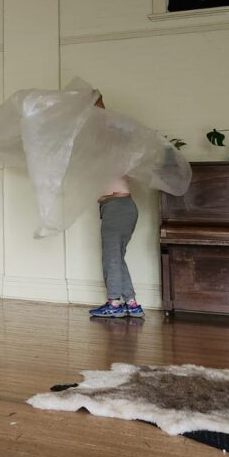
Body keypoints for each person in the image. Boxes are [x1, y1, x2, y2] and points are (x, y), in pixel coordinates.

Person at [88, 93, 145, 319]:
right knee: (116, 257)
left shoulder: (115, 147)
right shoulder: (111, 153)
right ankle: (130, 303)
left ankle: (114, 302)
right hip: (120, 208)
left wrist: (96, 99)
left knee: (111, 257)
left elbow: (104, 122)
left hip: (118, 207)